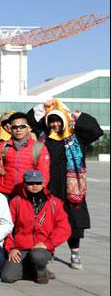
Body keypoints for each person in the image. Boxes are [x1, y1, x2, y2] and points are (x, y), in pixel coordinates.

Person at [30, 99, 103, 269]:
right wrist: (42, 107)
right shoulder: (43, 138)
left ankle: (75, 253)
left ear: (64, 120)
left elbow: (96, 130)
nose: (55, 124)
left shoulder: (77, 138)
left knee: (74, 222)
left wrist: (77, 116)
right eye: (52, 121)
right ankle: (49, 250)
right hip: (50, 187)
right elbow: (31, 122)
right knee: (47, 220)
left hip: (72, 188)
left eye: (58, 120)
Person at [2, 170, 71, 284]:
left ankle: (41, 269)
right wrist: (11, 248)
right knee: (7, 277)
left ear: (43, 183)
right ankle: (36, 271)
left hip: (41, 248)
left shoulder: (55, 203)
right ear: (24, 184)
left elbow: (64, 228)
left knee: (38, 256)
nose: (34, 186)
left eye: (38, 183)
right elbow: (8, 226)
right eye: (30, 183)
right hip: (21, 247)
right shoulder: (16, 202)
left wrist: (48, 244)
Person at [0, 112, 50, 197]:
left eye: (22, 127)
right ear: (10, 129)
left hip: (28, 193)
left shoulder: (39, 147)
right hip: (5, 192)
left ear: (28, 128)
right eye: (15, 127)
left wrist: (38, 192)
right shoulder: (3, 146)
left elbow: (43, 173)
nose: (18, 130)